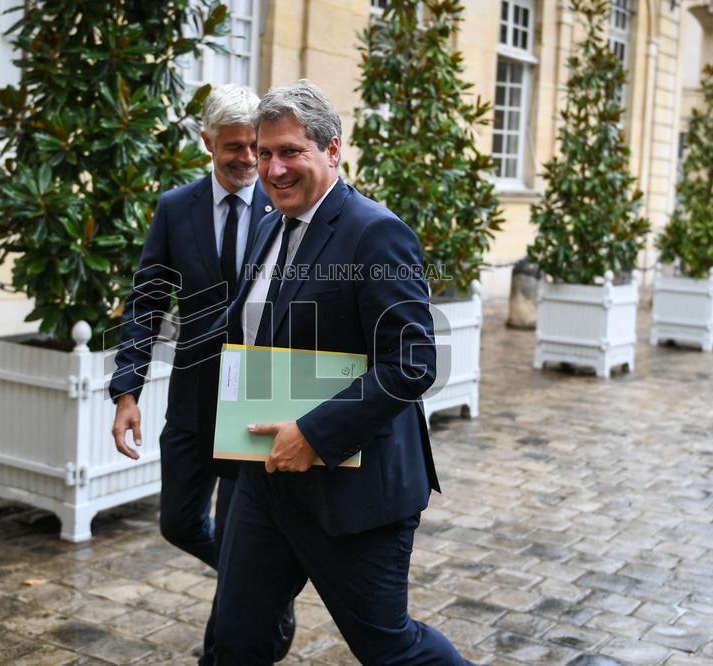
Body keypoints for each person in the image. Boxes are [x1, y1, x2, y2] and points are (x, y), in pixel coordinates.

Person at [207, 80, 471, 665]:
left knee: (389, 650)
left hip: (353, 492)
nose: (273, 167)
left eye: (290, 151)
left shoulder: (375, 232)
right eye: (265, 151)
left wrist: (316, 434)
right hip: (264, 481)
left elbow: (412, 362)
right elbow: (257, 330)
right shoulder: (269, 223)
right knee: (236, 641)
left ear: (331, 150)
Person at [108, 84, 293, 663]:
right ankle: (263, 589)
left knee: (240, 533)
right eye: (233, 147)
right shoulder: (176, 208)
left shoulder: (285, 203)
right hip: (191, 399)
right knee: (179, 523)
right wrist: (127, 390)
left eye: (254, 147)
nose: (246, 160)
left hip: (256, 400)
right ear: (206, 141)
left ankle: (234, 633)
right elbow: (146, 303)